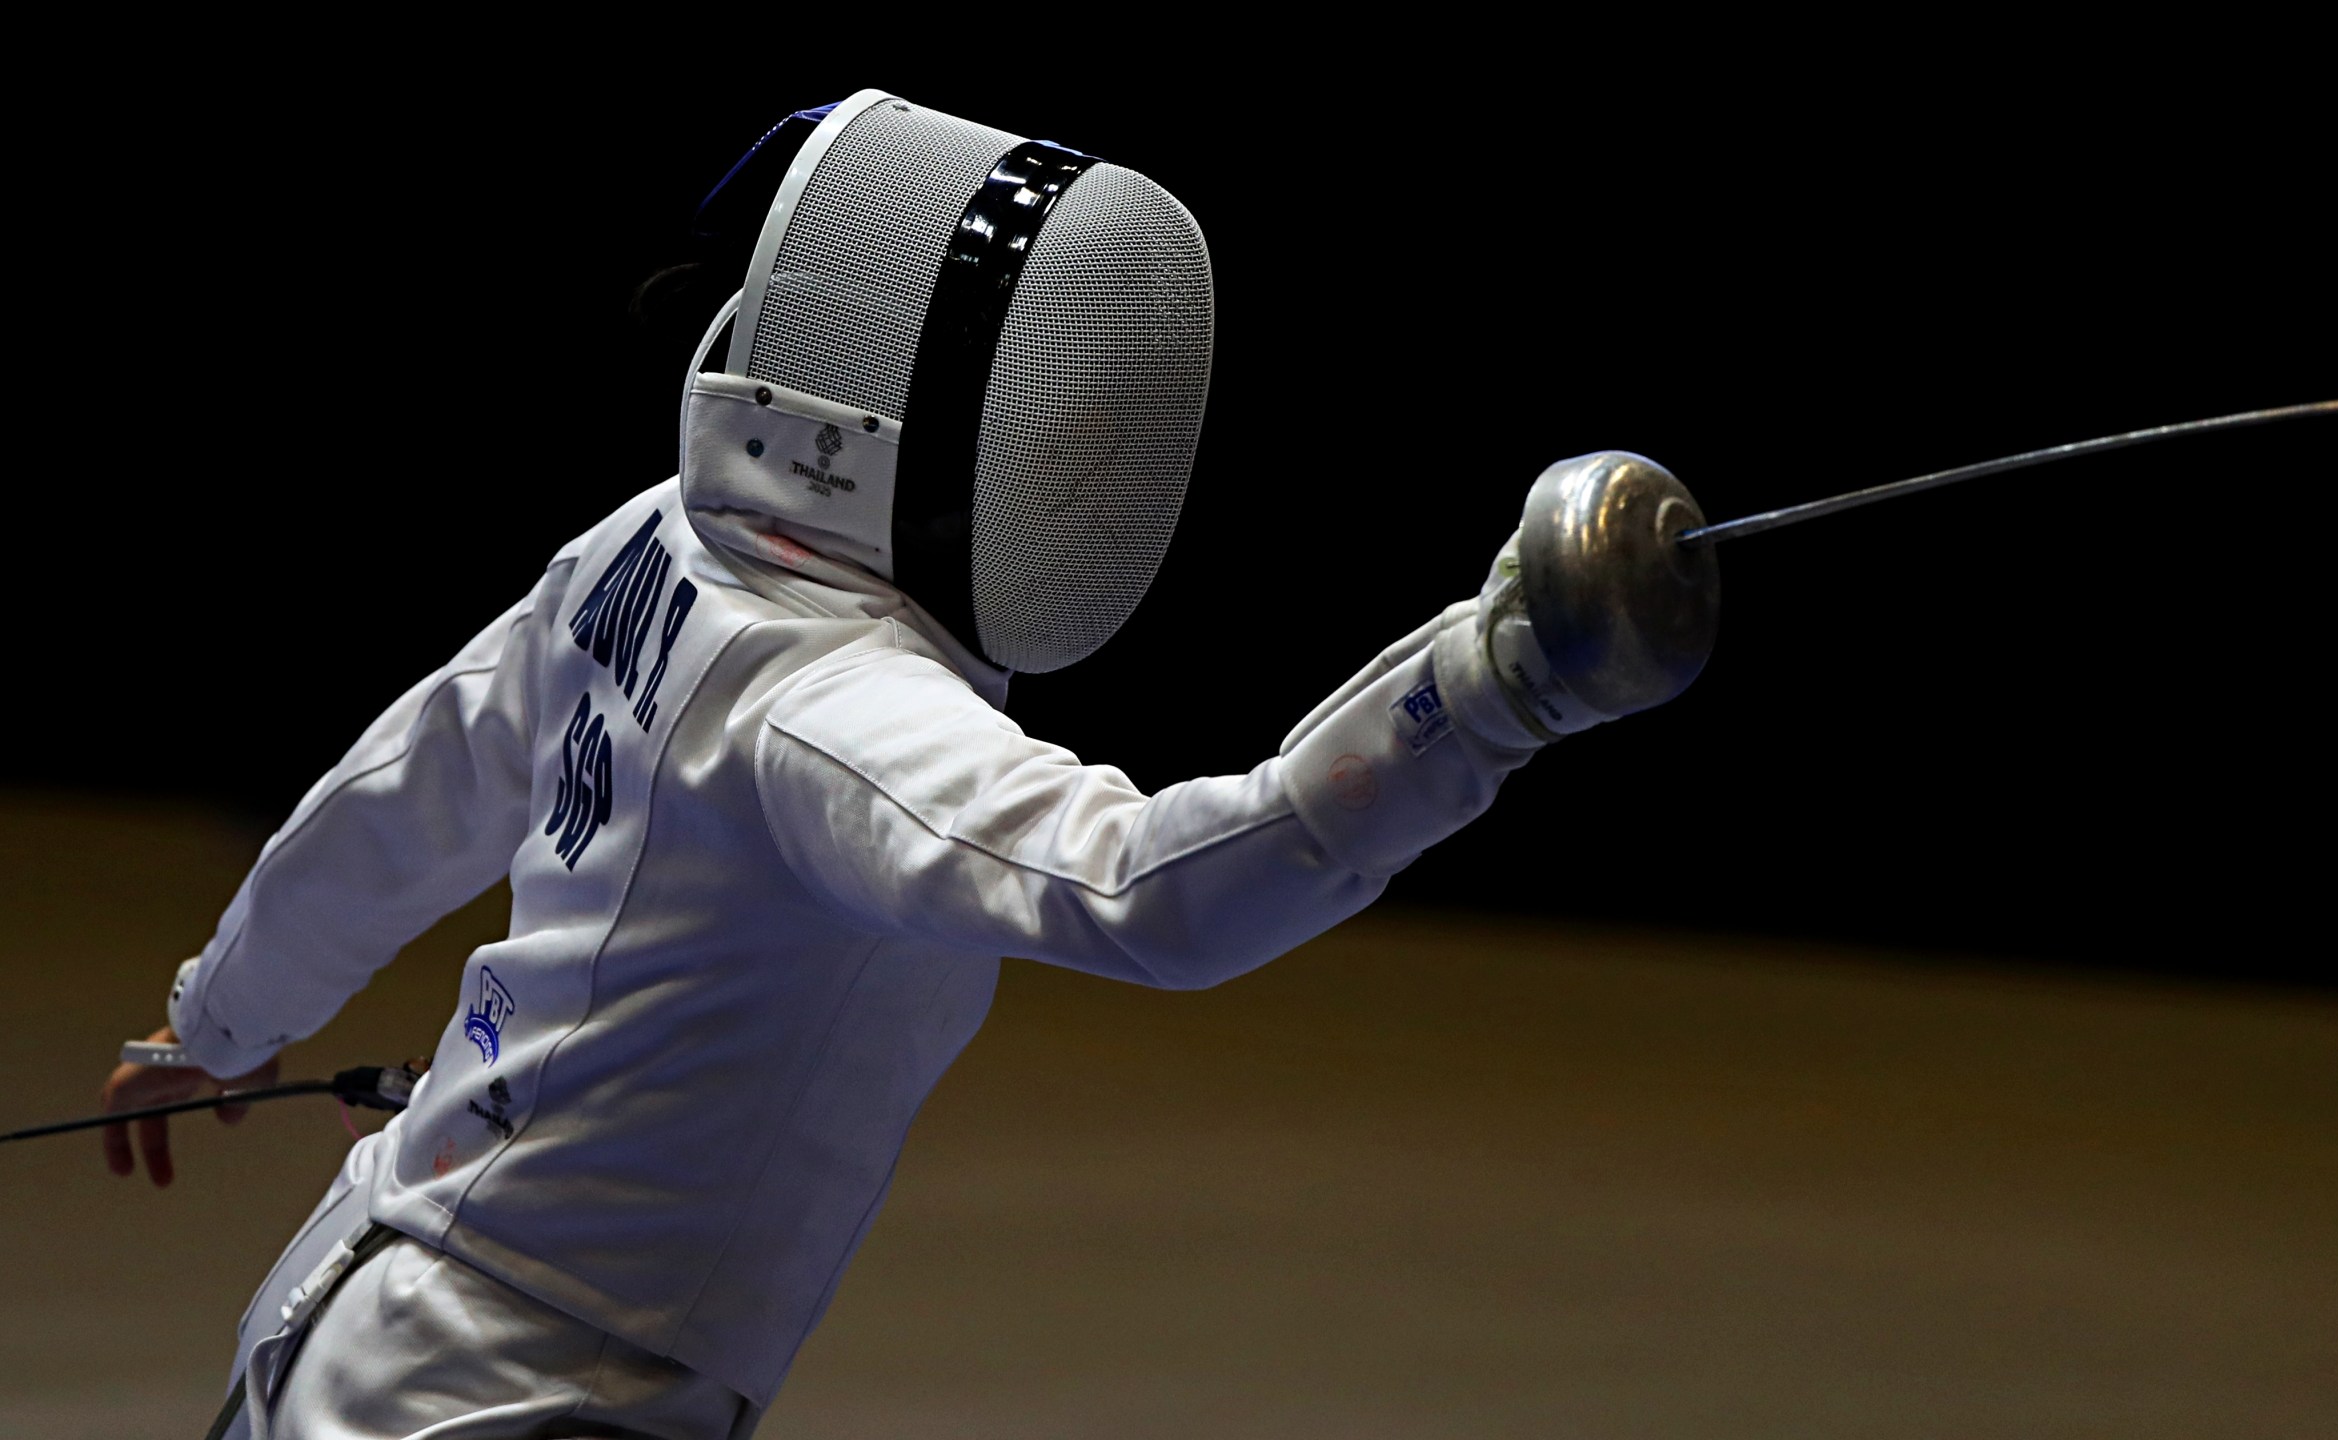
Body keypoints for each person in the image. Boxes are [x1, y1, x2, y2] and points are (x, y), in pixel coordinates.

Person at [94, 89, 1715, 1439]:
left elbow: (405, 785)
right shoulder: (832, 708)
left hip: (353, 1311)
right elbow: (1157, 897)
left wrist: (217, 1019)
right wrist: (1486, 694)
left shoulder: (650, 549)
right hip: (516, 1398)